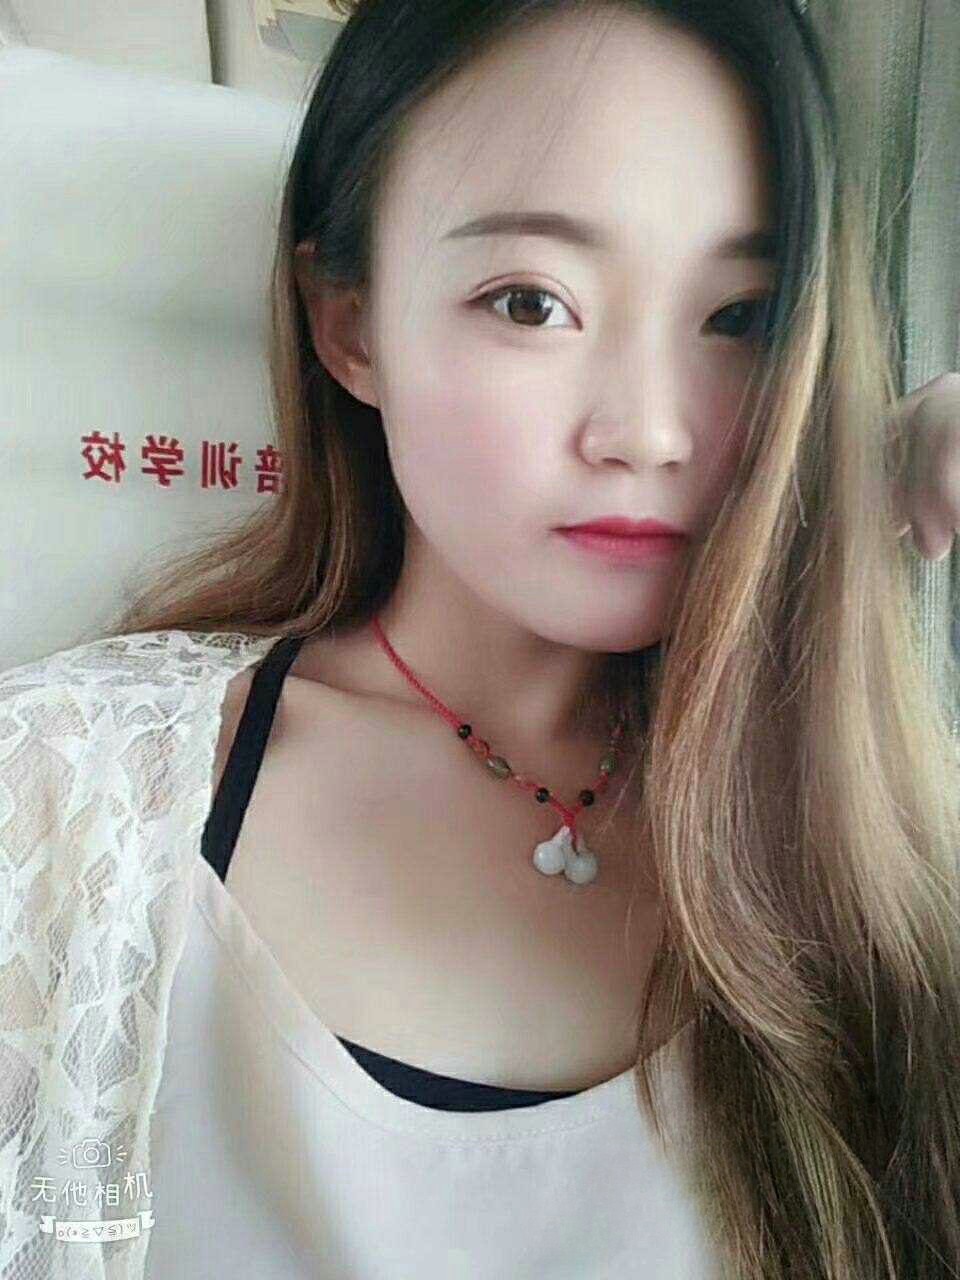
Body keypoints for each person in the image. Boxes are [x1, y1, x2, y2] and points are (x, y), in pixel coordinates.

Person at [1, 2, 959, 1277]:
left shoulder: (861, 803)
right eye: (531, 301)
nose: (649, 431)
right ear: (350, 325)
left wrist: (846, 516)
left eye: (743, 317)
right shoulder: (68, 801)